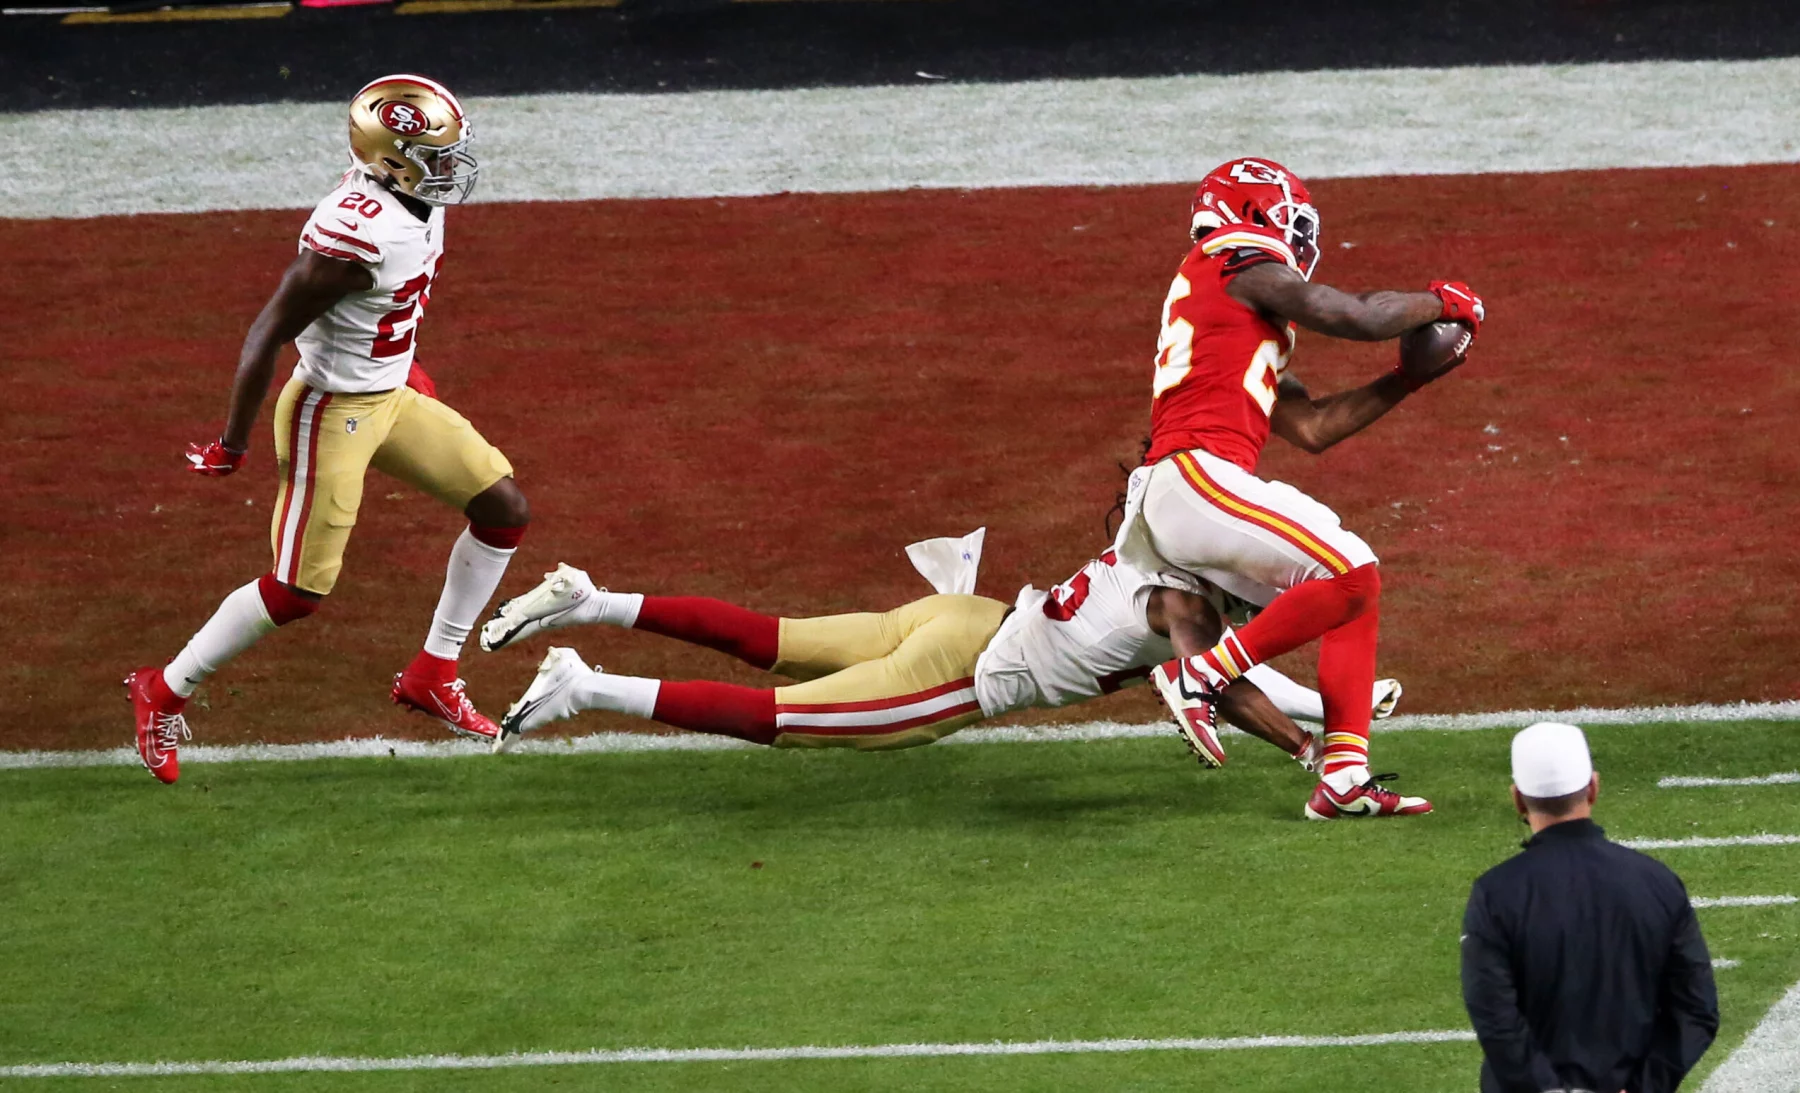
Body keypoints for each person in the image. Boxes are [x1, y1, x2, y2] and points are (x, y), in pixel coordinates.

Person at [125, 74, 528, 783]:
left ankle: (433, 670)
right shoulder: (350, 238)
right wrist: (233, 442)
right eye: (434, 153)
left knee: (502, 509)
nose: (450, 167)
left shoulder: (410, 195)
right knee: (296, 592)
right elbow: (265, 336)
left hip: (389, 394)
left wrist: (407, 369)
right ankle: (161, 688)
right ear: (390, 159)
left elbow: (387, 311)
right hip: (331, 409)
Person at [1111, 156, 1484, 819]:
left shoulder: (1230, 312)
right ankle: (1202, 672)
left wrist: (1407, 379)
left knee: (1354, 588)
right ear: (1254, 211)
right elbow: (1342, 311)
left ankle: (1343, 775)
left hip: (1194, 485)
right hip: (1194, 475)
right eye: (1292, 219)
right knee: (1350, 566)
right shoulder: (1235, 257)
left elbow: (1312, 427)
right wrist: (1443, 302)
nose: (1302, 239)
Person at [477, 549, 1402, 764]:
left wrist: (1336, 711)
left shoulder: (1153, 535)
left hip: (965, 614)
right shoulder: (1189, 604)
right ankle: (585, 683)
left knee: (775, 638)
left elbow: (1226, 658)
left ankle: (595, 597)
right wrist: (1308, 749)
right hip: (959, 674)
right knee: (785, 721)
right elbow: (1212, 660)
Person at [1461, 722, 1719, 1093]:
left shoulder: (1496, 892)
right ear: (1594, 788)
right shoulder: (1658, 882)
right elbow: (1696, 1010)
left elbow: (1494, 1016)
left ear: (1517, 798)